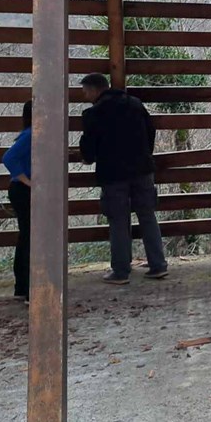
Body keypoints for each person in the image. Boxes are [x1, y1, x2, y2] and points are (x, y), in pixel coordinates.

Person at [78, 73, 168, 284]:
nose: (84, 96)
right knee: (147, 215)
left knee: (118, 220)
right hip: (142, 169)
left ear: (94, 90)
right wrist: (145, 154)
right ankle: (158, 266)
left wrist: (88, 158)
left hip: (113, 174)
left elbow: (88, 148)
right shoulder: (134, 104)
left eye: (85, 92)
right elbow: (151, 130)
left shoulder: (93, 113)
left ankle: (120, 271)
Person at [2, 100, 33, 304]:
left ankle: (22, 287)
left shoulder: (30, 133)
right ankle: (29, 289)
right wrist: (28, 182)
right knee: (32, 238)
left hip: (21, 189)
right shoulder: (32, 134)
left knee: (27, 237)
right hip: (24, 190)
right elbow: (9, 157)